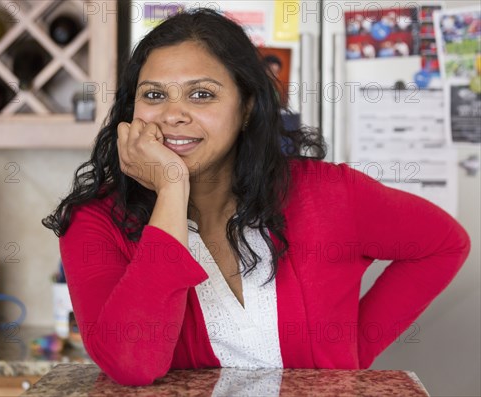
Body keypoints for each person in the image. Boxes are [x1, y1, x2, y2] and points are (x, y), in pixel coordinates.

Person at [43, 9, 471, 387]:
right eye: (154, 95)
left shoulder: (327, 194)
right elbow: (132, 365)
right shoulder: (95, 222)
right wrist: (171, 191)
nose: (173, 113)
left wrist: (353, 352)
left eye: (202, 94)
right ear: (130, 110)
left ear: (246, 107)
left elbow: (443, 244)